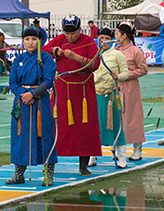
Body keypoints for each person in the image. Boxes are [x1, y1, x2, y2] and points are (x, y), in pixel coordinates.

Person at [42, 15, 101, 176]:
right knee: (57, 124)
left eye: (73, 33)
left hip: (83, 89)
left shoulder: (88, 40)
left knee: (85, 127)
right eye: (67, 33)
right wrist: (54, 51)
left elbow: (95, 63)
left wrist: (77, 57)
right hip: (63, 87)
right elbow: (41, 52)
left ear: (79, 30)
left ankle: (83, 165)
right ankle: (50, 163)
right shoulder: (59, 39)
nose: (70, 36)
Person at [7, 26, 58, 183]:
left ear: (40, 40)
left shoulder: (46, 59)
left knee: (45, 135)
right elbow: (12, 81)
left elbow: (49, 80)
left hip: (40, 102)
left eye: (34, 39)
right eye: (27, 39)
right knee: (20, 137)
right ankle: (19, 173)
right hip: (22, 103)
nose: (30, 42)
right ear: (23, 41)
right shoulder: (18, 59)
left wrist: (34, 94)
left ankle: (48, 174)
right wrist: (23, 95)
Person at [92, 27, 129, 167]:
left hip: (112, 95)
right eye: (100, 37)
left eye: (106, 38)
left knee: (116, 125)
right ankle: (92, 157)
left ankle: (122, 158)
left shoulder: (117, 55)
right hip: (96, 94)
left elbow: (126, 73)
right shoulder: (93, 54)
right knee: (94, 126)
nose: (103, 40)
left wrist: (117, 76)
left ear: (111, 39)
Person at [115, 23, 148, 160]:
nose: (115, 36)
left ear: (124, 35)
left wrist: (127, 74)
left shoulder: (136, 51)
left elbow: (143, 69)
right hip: (117, 87)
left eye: (117, 33)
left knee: (134, 117)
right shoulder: (115, 50)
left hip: (130, 88)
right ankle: (119, 149)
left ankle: (137, 149)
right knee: (117, 118)